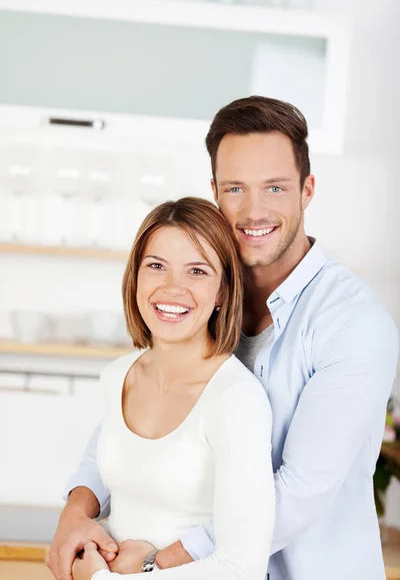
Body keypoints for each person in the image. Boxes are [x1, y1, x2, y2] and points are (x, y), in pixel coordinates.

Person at [47, 96, 399, 580]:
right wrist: (76, 513)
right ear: (215, 192)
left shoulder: (353, 323)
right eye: (236, 188)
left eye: (275, 188)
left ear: (307, 190)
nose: (254, 211)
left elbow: (299, 490)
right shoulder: (206, 295)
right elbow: (129, 417)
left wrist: (155, 561)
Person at [68, 197, 275, 580]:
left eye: (196, 271)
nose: (172, 287)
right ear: (135, 277)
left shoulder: (235, 400)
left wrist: (100, 578)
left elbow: (240, 567)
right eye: (156, 266)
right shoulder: (117, 377)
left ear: (222, 293)